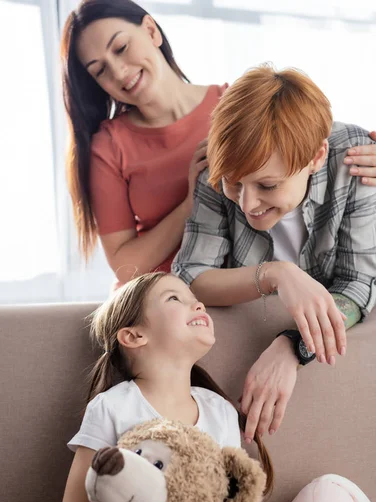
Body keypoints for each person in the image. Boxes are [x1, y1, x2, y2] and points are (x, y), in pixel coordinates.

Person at [61, 0, 376, 287]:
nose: (118, 71)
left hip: (244, 288)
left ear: (151, 30)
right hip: (168, 298)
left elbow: (308, 136)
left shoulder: (230, 103)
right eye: (99, 70)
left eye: (121, 48)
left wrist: (366, 149)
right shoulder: (109, 146)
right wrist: (190, 203)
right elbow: (125, 266)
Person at [60, 271, 298, 502]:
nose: (197, 303)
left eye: (193, 298)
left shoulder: (221, 411)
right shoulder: (111, 408)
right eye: (175, 298)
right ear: (133, 335)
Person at [172, 65, 376, 444]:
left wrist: (291, 347)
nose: (247, 204)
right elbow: (191, 279)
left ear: (316, 157)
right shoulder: (217, 170)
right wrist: (277, 274)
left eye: (267, 185)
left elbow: (357, 284)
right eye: (234, 184)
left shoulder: (359, 162)